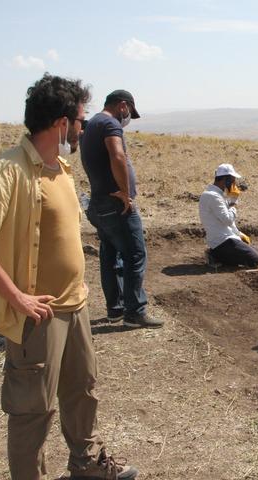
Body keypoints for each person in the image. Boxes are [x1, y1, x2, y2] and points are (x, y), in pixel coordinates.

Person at [0, 74, 138, 479]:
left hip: (74, 306)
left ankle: (86, 465)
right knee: (32, 411)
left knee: (82, 391)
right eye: (79, 120)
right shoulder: (9, 170)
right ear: (61, 124)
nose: (82, 128)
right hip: (37, 316)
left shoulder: (62, 170)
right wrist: (17, 297)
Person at [80, 89, 162, 328]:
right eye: (129, 113)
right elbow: (117, 155)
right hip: (116, 204)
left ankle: (115, 308)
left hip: (99, 202)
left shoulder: (93, 124)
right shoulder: (108, 124)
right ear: (123, 106)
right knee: (135, 254)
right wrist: (126, 193)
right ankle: (135, 312)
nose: (127, 119)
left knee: (110, 254)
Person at [198, 163, 258, 268]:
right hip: (222, 241)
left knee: (254, 250)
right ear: (225, 180)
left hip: (225, 238)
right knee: (254, 260)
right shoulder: (213, 196)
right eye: (232, 180)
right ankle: (215, 255)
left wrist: (239, 234)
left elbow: (227, 222)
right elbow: (227, 219)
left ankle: (218, 255)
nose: (234, 184)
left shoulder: (217, 195)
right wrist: (233, 205)